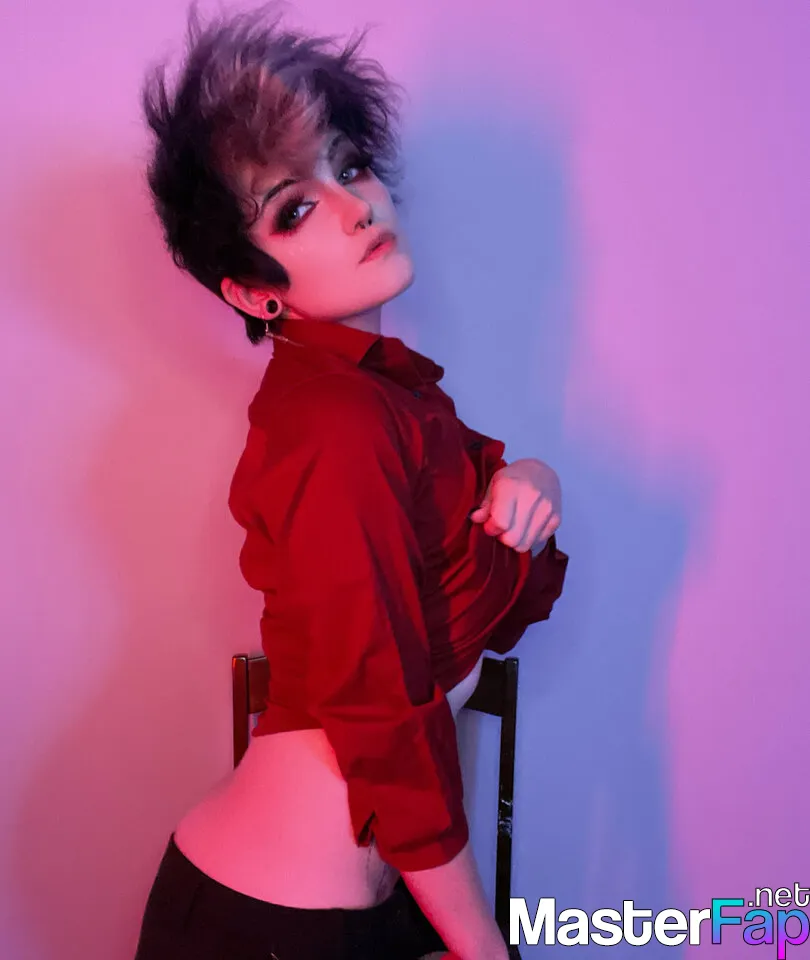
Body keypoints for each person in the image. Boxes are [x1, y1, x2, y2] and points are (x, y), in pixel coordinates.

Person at [134, 3, 569, 958]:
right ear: (254, 291)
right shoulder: (336, 421)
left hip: (351, 898)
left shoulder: (380, 395)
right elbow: (380, 716)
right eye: (294, 208)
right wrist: (484, 947)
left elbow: (477, 516)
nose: (357, 206)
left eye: (351, 166)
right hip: (276, 922)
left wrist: (533, 476)